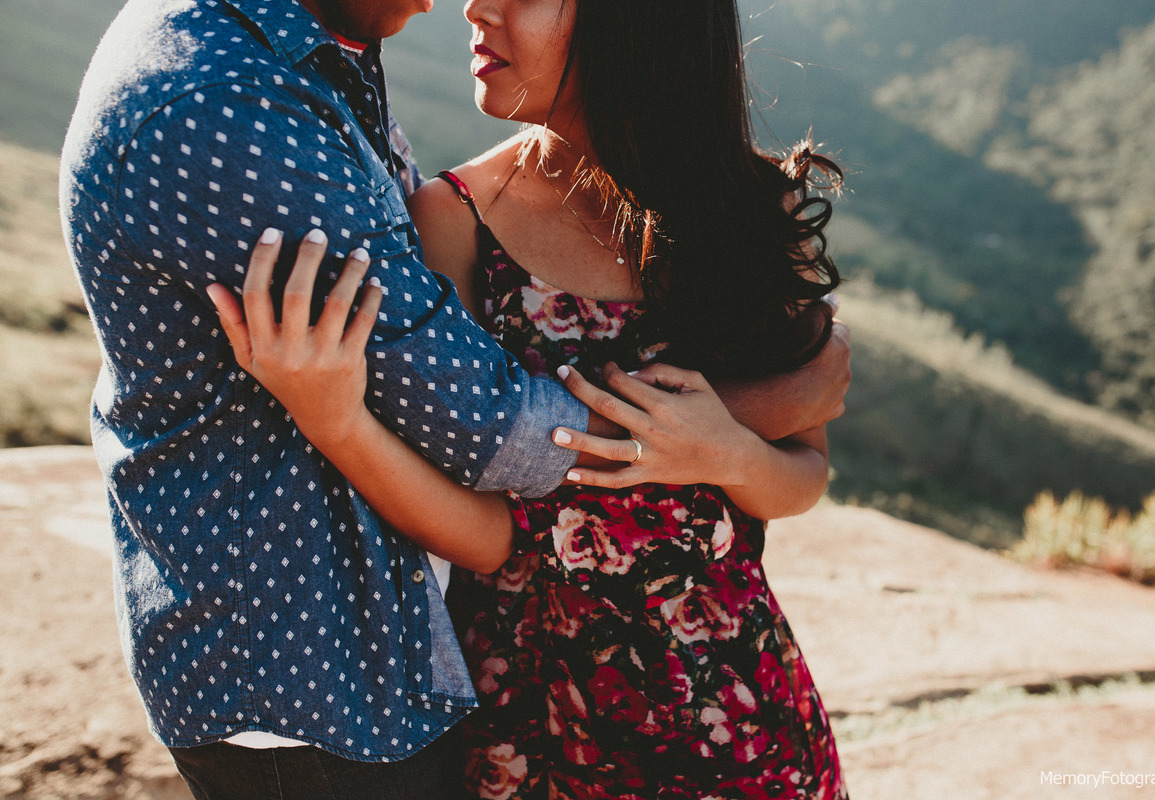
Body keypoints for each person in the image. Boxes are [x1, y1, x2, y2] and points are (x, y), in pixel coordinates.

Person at [61, 0, 848, 797]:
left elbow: (803, 475)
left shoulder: (752, 212)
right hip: (537, 721)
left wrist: (731, 452)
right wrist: (337, 422)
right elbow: (490, 509)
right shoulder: (456, 219)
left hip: (739, 712)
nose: (473, 5)